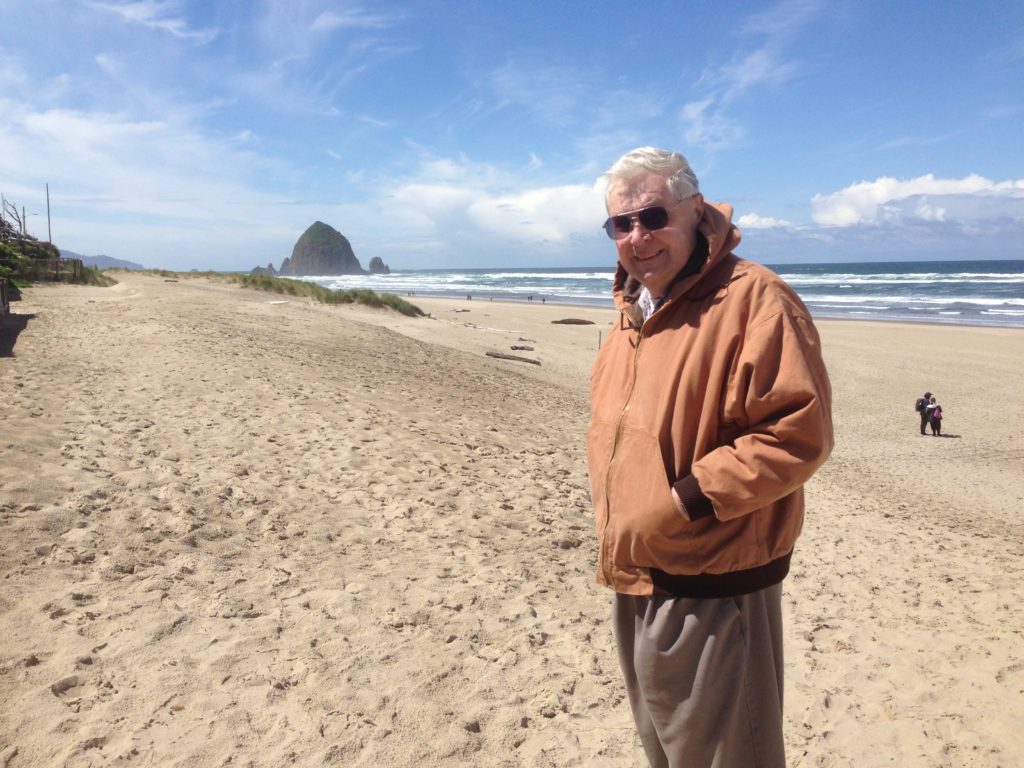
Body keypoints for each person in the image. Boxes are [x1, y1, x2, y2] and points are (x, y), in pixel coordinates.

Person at [587, 147, 834, 768]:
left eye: (652, 216)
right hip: (638, 575)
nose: (637, 237)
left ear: (696, 212)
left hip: (714, 581)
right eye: (621, 224)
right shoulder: (632, 312)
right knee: (666, 751)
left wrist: (679, 504)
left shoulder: (754, 299)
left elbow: (797, 433)